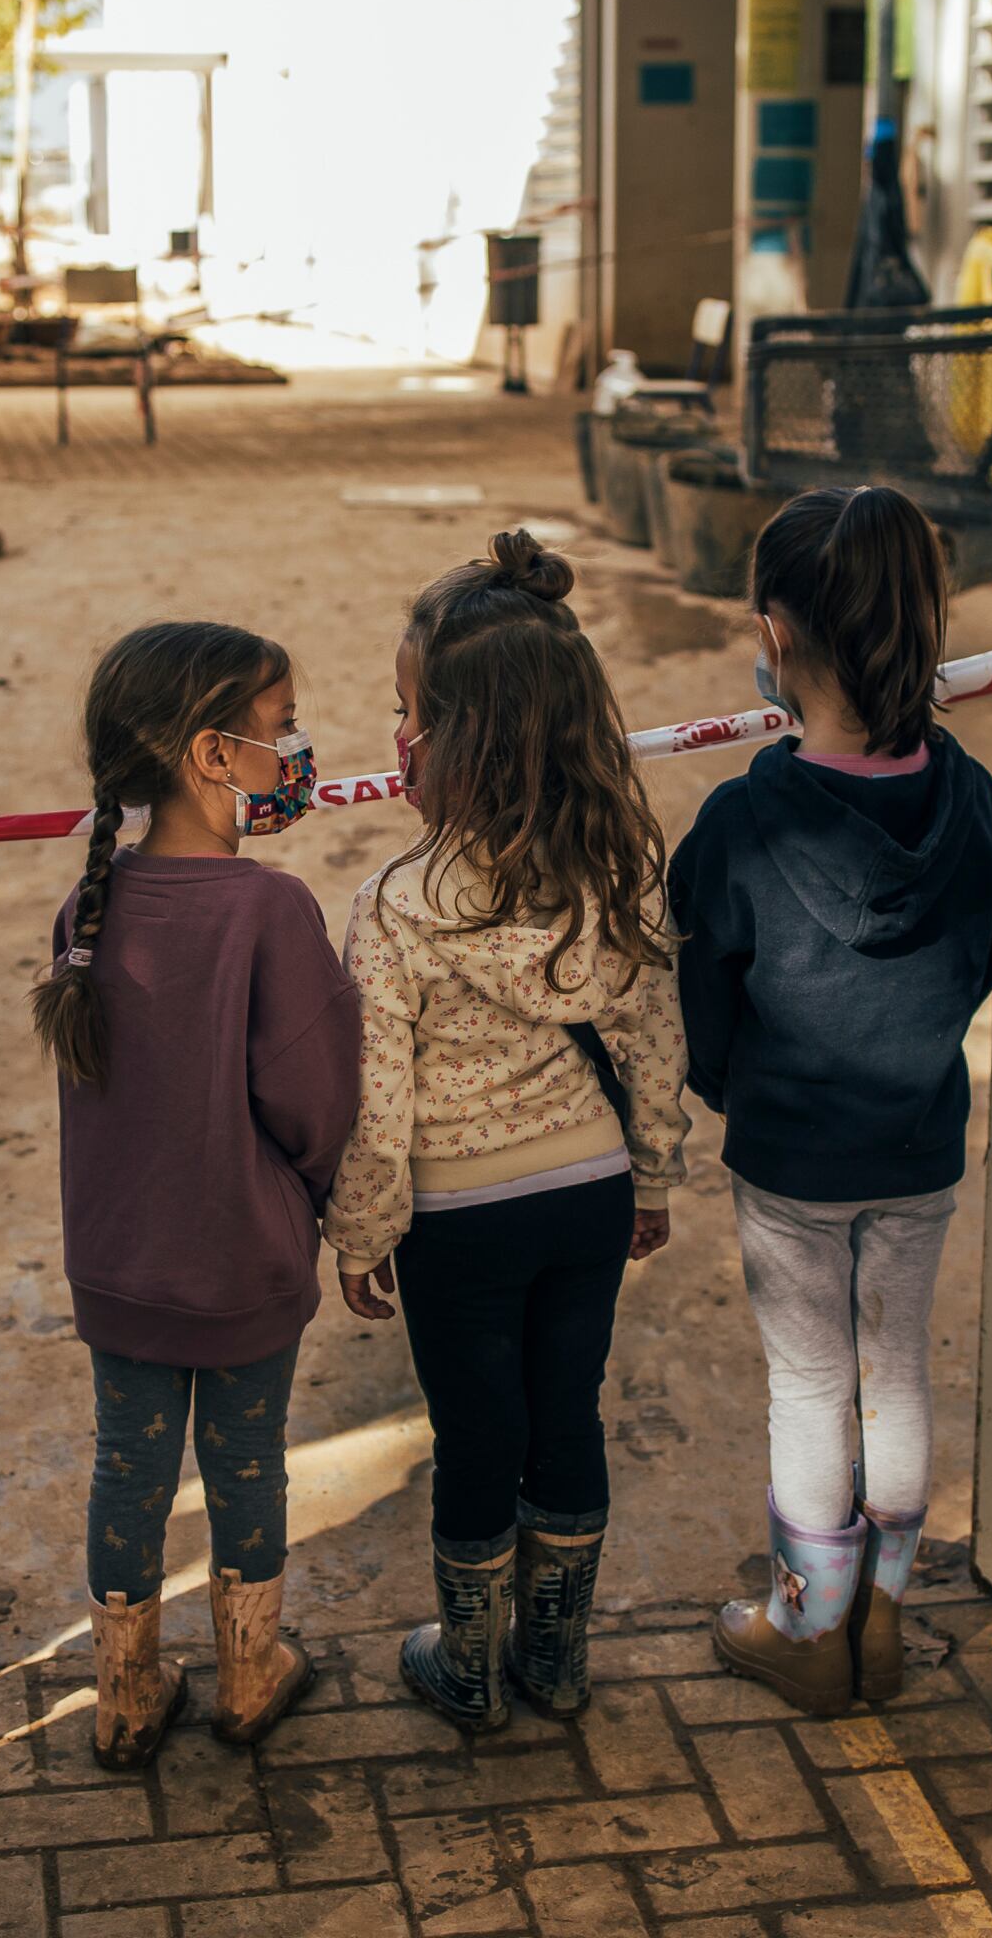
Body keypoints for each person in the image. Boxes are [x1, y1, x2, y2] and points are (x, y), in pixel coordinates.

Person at [324, 531, 690, 1733]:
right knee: (567, 1411)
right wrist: (652, 1176)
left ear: (460, 744)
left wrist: (363, 1231)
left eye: (410, 715)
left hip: (457, 1221)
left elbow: (377, 1108)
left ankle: (471, 1667)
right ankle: (561, 1657)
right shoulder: (623, 874)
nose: (398, 739)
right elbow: (651, 1042)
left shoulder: (393, 908)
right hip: (586, 1196)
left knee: (476, 1431)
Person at [668, 486, 992, 1715]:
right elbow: (987, 953)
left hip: (791, 1160)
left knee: (812, 1388)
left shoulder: (743, 822)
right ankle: (882, 1619)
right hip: (919, 1143)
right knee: (898, 1370)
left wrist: (738, 1086)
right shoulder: (969, 797)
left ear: (774, 633)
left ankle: (809, 1629)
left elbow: (696, 996)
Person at [29, 621, 360, 1769]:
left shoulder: (89, 910)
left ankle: (125, 1693)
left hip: (119, 1265)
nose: (298, 751)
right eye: (279, 730)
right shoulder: (270, 912)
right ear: (212, 756)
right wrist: (308, 1196)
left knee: (126, 1461)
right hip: (242, 1262)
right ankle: (249, 1674)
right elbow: (317, 1103)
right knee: (249, 1459)